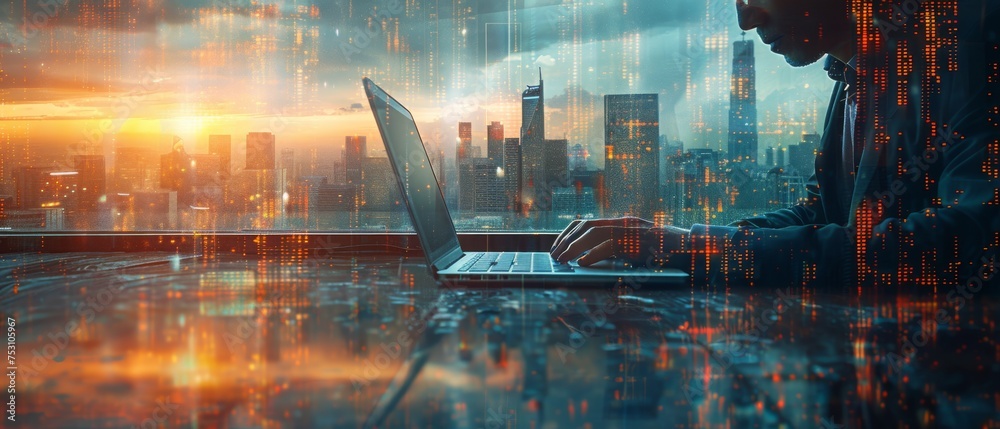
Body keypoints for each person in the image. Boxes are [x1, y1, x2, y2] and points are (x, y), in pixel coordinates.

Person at [550, 0, 1000, 288]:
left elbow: (962, 243)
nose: (746, 19)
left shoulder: (970, 54)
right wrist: (685, 240)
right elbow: (821, 213)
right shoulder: (853, 76)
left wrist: (691, 247)